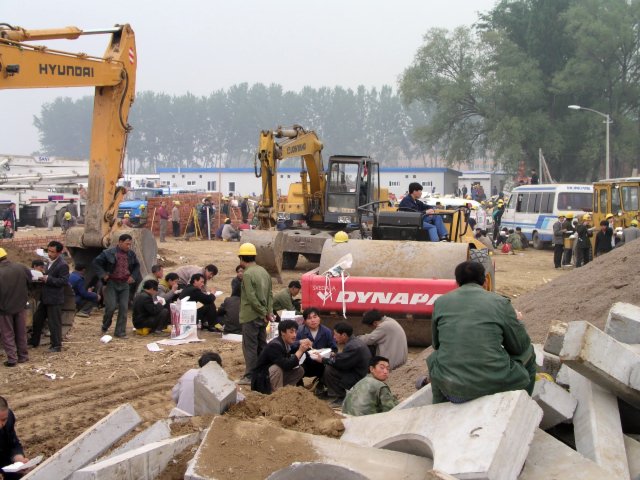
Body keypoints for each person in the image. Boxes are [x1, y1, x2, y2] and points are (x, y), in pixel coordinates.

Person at [427, 261, 535, 404]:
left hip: (453, 392)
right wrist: (518, 322)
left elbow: (436, 344)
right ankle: (521, 406)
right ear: (485, 281)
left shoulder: (440, 302)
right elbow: (519, 346)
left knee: (434, 358)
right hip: (495, 388)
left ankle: (439, 406)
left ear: (457, 282)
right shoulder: (501, 303)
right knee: (529, 351)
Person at [311, 322, 371, 407]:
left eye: (335, 335)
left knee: (329, 369)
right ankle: (330, 391)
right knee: (329, 365)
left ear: (344, 335)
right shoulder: (354, 342)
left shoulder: (353, 346)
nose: (334, 337)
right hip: (357, 370)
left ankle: (340, 397)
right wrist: (333, 354)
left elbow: (339, 363)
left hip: (358, 376)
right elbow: (345, 358)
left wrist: (322, 359)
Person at [237, 242, 273, 385]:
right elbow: (270, 294)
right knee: (262, 345)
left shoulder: (247, 274)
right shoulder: (263, 271)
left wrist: (263, 311)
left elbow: (251, 298)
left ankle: (250, 376)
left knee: (250, 347)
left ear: (241, 258)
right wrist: (268, 312)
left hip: (251, 315)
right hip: (263, 316)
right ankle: (264, 371)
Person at [93, 234, 141, 338]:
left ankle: (120, 332)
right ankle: (105, 325)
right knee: (111, 307)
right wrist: (103, 274)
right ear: (120, 242)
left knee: (124, 308)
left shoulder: (131, 254)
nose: (128, 246)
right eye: (127, 244)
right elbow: (96, 263)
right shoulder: (108, 253)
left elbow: (137, 266)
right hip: (112, 283)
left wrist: (133, 276)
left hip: (124, 284)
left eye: (130, 244)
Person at [251, 319, 312, 394]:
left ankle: (284, 391)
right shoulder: (274, 345)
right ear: (283, 332)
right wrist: (300, 351)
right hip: (262, 380)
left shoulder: (284, 342)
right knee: (277, 368)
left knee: (300, 370)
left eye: (296, 332)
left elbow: (293, 345)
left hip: (271, 376)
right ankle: (275, 393)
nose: (294, 335)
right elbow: (287, 365)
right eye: (291, 332)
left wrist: (300, 342)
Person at [29, 241, 69, 352]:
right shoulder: (48, 262)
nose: (50, 253)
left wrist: (48, 279)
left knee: (54, 323)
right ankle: (34, 341)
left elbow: (64, 281)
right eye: (48, 251)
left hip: (54, 298)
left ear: (59, 252)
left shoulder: (62, 265)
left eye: (52, 252)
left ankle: (56, 345)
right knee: (37, 319)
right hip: (45, 297)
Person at [0, 248, 31, 367]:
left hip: (4, 308)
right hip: (20, 305)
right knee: (21, 331)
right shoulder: (21, 267)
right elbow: (30, 282)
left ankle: (12, 359)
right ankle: (23, 356)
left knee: (7, 333)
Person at [295, 307, 337, 390]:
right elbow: (291, 345)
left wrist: (327, 353)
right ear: (305, 321)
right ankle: (300, 387)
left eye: (315, 317)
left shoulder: (327, 332)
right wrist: (299, 342)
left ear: (319, 318)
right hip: (305, 363)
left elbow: (334, 349)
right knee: (295, 367)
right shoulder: (300, 331)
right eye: (309, 318)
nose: (313, 320)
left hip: (321, 362)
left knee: (330, 368)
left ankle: (320, 384)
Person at [0, 396, 30, 479]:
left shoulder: (9, 419)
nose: (1, 425)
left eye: (3, 420)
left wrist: (18, 458)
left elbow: (13, 443)